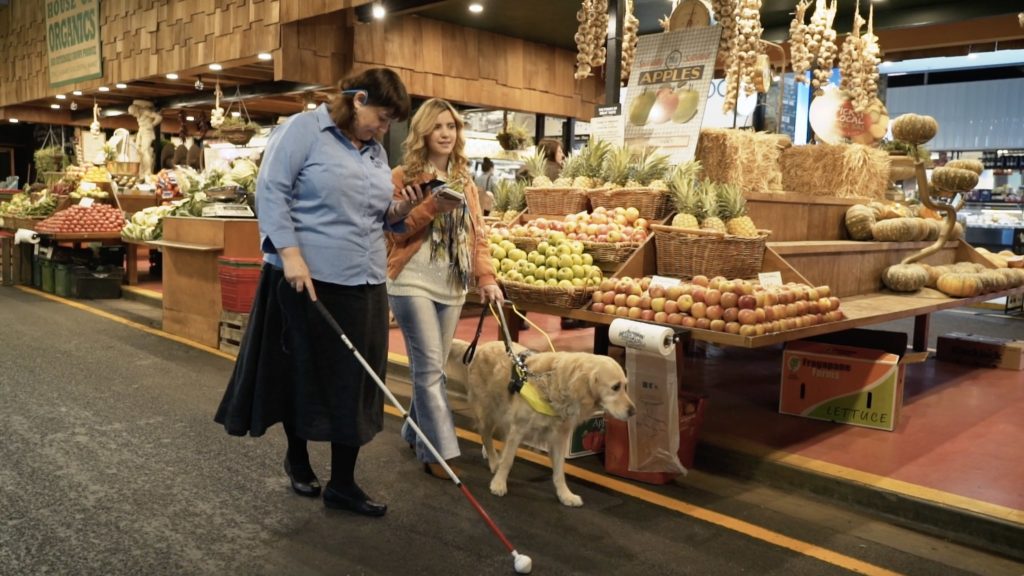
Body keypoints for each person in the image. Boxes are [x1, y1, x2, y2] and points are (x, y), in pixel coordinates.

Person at [214, 68, 418, 518]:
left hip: (363, 281)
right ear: (357, 99)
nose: (384, 129)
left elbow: (381, 214)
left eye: (389, 123)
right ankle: (299, 458)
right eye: (381, 118)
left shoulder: (375, 152)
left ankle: (343, 483)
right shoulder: (303, 130)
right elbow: (271, 191)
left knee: (355, 382)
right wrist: (289, 253)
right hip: (306, 279)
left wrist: (407, 206)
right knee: (301, 374)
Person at [386, 98, 504, 479]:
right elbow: (393, 229)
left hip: (452, 284)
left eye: (451, 127)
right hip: (412, 280)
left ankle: (414, 429)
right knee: (429, 368)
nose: (446, 134)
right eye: (438, 127)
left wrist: (487, 278)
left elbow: (478, 236)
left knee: (433, 367)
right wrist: (431, 207)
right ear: (423, 132)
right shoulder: (402, 177)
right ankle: (438, 452)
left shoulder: (466, 182)